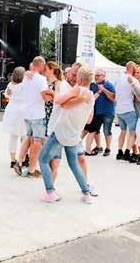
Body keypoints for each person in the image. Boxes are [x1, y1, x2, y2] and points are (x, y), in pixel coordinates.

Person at [38, 66, 94, 204]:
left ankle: (50, 192)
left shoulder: (78, 89)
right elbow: (82, 114)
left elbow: (59, 102)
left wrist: (53, 94)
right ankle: (86, 193)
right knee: (74, 163)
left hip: (61, 130)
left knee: (43, 160)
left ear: (79, 79)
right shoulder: (91, 95)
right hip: (75, 133)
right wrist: (73, 101)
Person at [14, 56, 48, 178]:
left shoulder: (26, 78)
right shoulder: (42, 79)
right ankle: (32, 170)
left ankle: (19, 162)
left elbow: (23, 91)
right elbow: (45, 96)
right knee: (37, 142)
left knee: (28, 138)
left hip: (27, 113)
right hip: (38, 114)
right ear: (41, 65)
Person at [84, 69, 116, 157]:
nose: (96, 77)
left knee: (107, 131)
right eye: (96, 75)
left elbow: (113, 97)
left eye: (98, 75)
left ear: (104, 76)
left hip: (108, 112)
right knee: (95, 131)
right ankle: (99, 147)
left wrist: (104, 90)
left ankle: (108, 148)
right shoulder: (92, 85)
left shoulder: (109, 85)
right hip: (96, 112)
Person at [114, 61, 139, 162]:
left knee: (123, 131)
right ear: (132, 68)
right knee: (133, 133)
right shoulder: (133, 80)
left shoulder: (118, 78)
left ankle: (119, 152)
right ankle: (127, 152)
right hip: (128, 109)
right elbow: (138, 93)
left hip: (119, 109)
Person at [2, 67, 27, 168]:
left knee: (13, 137)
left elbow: (6, 95)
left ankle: (12, 160)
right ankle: (23, 158)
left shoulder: (10, 84)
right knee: (24, 136)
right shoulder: (24, 85)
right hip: (22, 110)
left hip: (11, 110)